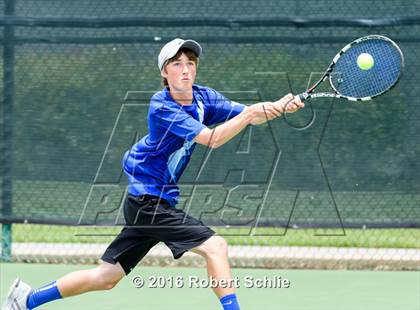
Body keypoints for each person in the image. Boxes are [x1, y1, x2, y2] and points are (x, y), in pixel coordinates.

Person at [1, 38, 304, 310]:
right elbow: (212, 139)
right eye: (177, 64)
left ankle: (26, 300)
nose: (186, 70)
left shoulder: (203, 98)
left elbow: (247, 113)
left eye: (190, 63)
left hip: (149, 201)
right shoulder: (162, 106)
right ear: (165, 73)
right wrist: (251, 115)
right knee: (216, 246)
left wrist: (279, 106)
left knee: (107, 276)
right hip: (149, 202)